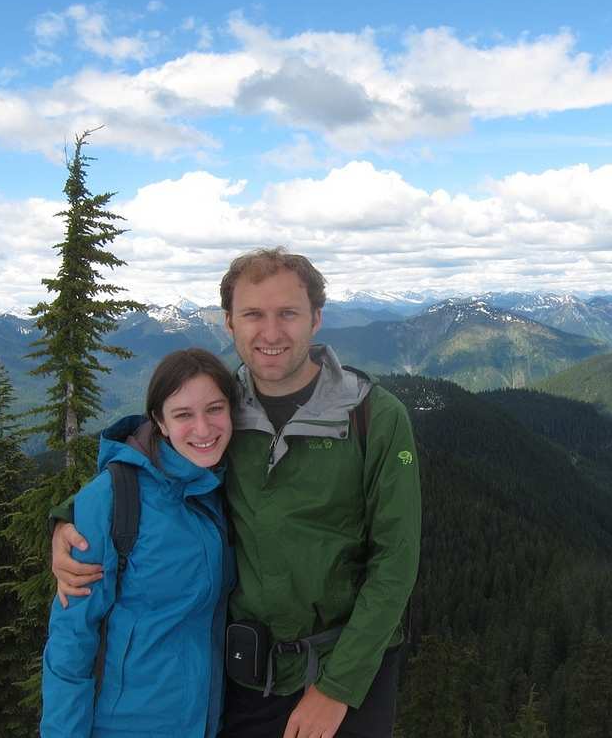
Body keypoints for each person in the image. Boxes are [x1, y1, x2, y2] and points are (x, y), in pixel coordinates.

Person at [52, 247, 422, 738]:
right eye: (253, 314)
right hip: (247, 674)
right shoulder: (219, 407)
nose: (270, 333)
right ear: (229, 322)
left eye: (287, 313)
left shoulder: (373, 414)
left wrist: (337, 688)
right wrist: (67, 518)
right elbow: (149, 452)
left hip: (349, 668)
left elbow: (395, 562)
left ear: (316, 318)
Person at [41, 348, 237, 738]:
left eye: (215, 409)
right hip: (124, 725)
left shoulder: (221, 487)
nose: (203, 429)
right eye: (183, 415)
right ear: (159, 422)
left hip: (205, 722)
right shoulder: (115, 498)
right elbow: (71, 639)